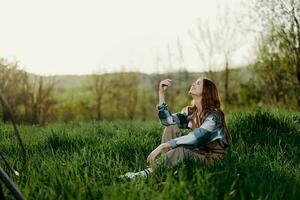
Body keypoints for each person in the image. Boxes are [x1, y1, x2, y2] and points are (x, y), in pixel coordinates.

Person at [122, 77, 232, 179]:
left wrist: (164, 145)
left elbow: (197, 137)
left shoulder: (215, 115)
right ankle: (164, 167)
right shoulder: (191, 112)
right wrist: (161, 94)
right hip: (198, 153)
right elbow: (167, 121)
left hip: (212, 159)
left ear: (206, 91)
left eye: (198, 84)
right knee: (171, 127)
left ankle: (147, 173)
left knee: (181, 150)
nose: (193, 84)